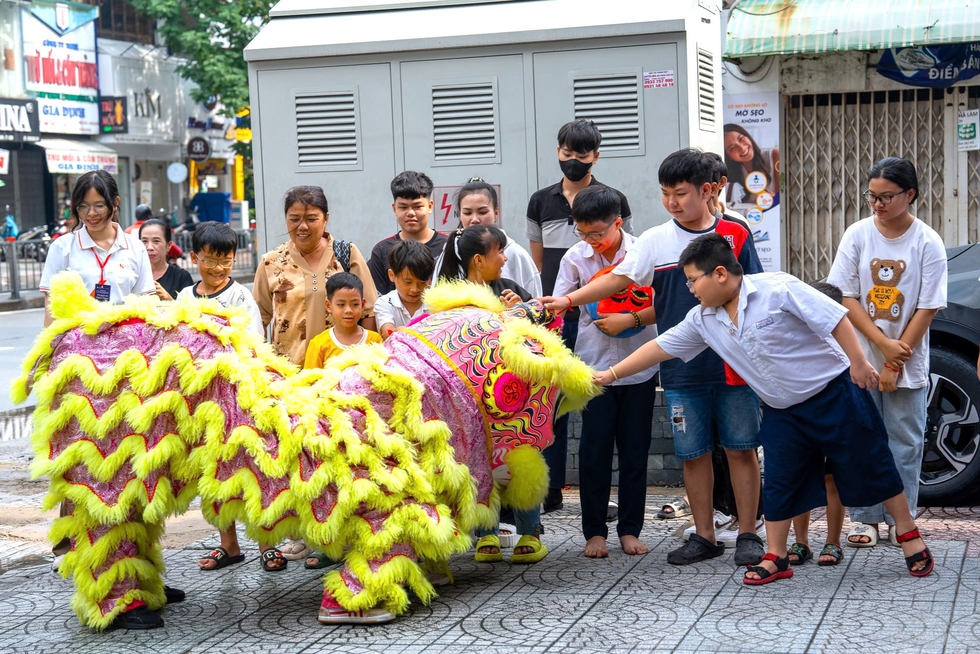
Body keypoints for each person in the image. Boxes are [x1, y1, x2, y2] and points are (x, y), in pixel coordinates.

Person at [593, 232, 935, 584]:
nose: (691, 288)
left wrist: (859, 362)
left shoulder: (777, 288)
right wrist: (611, 373)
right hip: (782, 410)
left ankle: (908, 534)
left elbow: (835, 317)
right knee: (781, 481)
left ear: (721, 274)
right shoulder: (703, 319)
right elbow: (661, 347)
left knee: (870, 461)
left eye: (694, 280)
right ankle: (777, 555)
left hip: (833, 393)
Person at [542, 149, 765, 568]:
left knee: (741, 447)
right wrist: (567, 300)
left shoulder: (735, 233)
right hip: (681, 368)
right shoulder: (656, 241)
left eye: (680, 193)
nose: (672, 203)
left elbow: (754, 290)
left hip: (734, 364)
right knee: (692, 452)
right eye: (665, 194)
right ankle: (704, 535)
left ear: (708, 189)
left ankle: (749, 532)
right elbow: (617, 278)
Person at [38, 169, 171, 630]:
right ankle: (109, 595)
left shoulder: (132, 246)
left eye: (100, 206)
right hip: (82, 373)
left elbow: (144, 306)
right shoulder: (63, 248)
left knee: (133, 473)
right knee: (98, 478)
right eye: (83, 207)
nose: (91, 215)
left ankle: (140, 574)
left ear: (115, 205)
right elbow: (53, 314)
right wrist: (50, 368)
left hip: (127, 373)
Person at [826, 157, 947, 549]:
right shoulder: (857, 234)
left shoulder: (927, 241)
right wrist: (880, 346)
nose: (876, 204)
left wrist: (896, 360)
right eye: (872, 196)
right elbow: (845, 295)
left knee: (905, 441)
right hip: (861, 357)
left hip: (908, 361)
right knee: (862, 439)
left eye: (886, 197)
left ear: (910, 194)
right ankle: (866, 519)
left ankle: (903, 518)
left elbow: (927, 306)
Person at [526, 119, 633, 513]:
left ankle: (600, 491)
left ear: (595, 157)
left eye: (581, 155)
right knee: (553, 401)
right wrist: (556, 301)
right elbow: (539, 261)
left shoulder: (613, 199)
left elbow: (625, 263)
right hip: (558, 309)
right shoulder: (540, 201)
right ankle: (551, 487)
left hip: (604, 315)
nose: (573, 160)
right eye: (567, 153)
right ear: (558, 152)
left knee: (592, 402)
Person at [552, 185, 658, 558]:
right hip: (593, 366)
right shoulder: (574, 258)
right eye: (584, 233)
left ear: (617, 223)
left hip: (639, 366)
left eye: (599, 233)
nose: (592, 241)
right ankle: (594, 532)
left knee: (634, 452)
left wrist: (631, 317)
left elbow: (663, 300)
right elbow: (562, 306)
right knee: (594, 452)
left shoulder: (644, 252)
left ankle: (630, 529)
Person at [438, 224, 545, 564]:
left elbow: (541, 329)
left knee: (520, 457)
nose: (505, 257)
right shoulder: (450, 299)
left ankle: (530, 531)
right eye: (499, 251)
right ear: (479, 260)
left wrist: (523, 310)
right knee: (480, 461)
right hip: (473, 398)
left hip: (515, 395)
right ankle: (486, 534)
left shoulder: (510, 289)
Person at [181, 223, 284, 573]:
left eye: (225, 261)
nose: (218, 268)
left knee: (251, 466)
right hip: (200, 399)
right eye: (210, 260)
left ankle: (266, 542)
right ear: (195, 258)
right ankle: (229, 544)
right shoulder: (184, 298)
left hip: (238, 396)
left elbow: (254, 344)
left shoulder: (240, 297)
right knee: (212, 471)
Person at [253, 185, 378, 366]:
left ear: (326, 219)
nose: (302, 226)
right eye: (294, 219)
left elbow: (368, 313)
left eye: (312, 219)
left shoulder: (346, 254)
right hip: (289, 377)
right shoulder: (271, 262)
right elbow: (257, 321)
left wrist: (367, 366)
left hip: (343, 376)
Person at [786, 281, 847, 567]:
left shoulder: (845, 339)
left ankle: (833, 542)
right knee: (801, 476)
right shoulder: (795, 340)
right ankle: (801, 542)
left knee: (833, 479)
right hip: (801, 417)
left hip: (834, 416)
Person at [434, 178, 542, 297]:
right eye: (467, 213)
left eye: (482, 212)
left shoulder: (516, 254)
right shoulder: (451, 252)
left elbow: (535, 305)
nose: (475, 219)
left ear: (496, 213)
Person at [368, 171, 447, 296]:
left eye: (417, 206)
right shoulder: (381, 251)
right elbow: (377, 298)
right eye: (403, 207)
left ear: (430, 206)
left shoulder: (448, 246)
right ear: (394, 208)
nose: (410, 213)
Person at [305, 273, 383, 367]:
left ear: (362, 305)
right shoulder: (319, 344)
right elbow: (310, 379)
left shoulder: (375, 340)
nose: (348, 310)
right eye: (341, 304)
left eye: (355, 304)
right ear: (328, 306)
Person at [376, 240, 433, 339]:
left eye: (422, 283)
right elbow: (387, 333)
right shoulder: (384, 303)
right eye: (408, 282)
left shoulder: (435, 303)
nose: (415, 289)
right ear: (392, 275)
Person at [723, 123, 779, 206]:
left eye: (741, 139)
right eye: (732, 148)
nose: (742, 148)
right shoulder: (729, 177)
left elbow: (782, 196)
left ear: (748, 136)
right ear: (728, 156)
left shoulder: (774, 155)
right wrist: (755, 204)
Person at [139, 218, 193, 301]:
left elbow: (191, 312)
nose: (149, 247)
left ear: (169, 245)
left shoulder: (181, 277)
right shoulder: (132, 275)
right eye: (144, 241)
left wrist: (168, 299)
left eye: (156, 241)